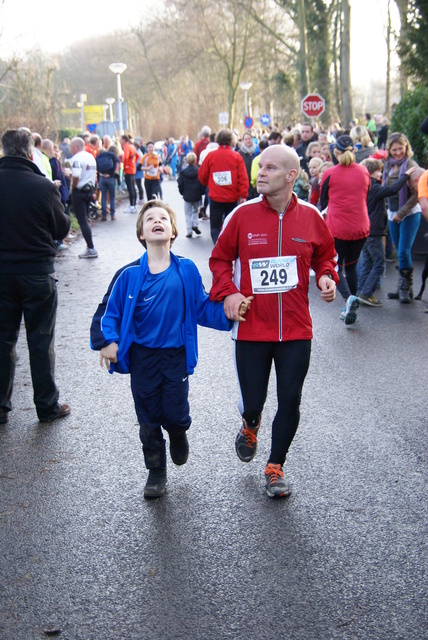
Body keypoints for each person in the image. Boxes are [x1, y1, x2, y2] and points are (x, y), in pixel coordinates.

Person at [209, 144, 338, 499]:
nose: (260, 173)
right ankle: (251, 423)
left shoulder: (311, 215)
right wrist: (230, 293)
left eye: (270, 168)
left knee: (290, 400)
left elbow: (326, 255)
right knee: (254, 402)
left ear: (291, 176)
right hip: (252, 328)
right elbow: (219, 260)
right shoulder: (242, 215)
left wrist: (327, 276)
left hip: (296, 329)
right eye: (260, 167)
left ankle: (275, 466)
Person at [90, 200, 240, 498]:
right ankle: (156, 471)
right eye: (149, 219)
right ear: (142, 233)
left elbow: (201, 306)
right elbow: (111, 312)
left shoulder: (185, 270)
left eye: (163, 218)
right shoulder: (129, 275)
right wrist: (107, 341)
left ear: (173, 231)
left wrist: (229, 313)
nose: (157, 221)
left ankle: (178, 431)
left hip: (176, 356)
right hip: (143, 357)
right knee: (147, 417)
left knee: (175, 410)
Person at [0, 128, 71, 424]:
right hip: (37, 273)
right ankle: (46, 405)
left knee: (2, 341)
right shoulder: (43, 187)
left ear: (3, 151)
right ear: (31, 153)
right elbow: (62, 229)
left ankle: (1, 406)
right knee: (41, 342)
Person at [320, 135, 370, 324]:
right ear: (354, 151)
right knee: (352, 266)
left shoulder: (330, 173)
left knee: (336, 265)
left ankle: (348, 298)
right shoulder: (364, 171)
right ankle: (353, 300)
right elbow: (366, 194)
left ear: (336, 152)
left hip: (338, 228)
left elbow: (323, 201)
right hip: (361, 227)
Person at [357, 158, 417, 306]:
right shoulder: (374, 187)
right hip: (374, 231)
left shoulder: (363, 187)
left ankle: (360, 291)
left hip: (365, 230)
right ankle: (366, 293)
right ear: (371, 173)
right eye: (379, 170)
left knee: (368, 263)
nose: (381, 173)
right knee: (379, 263)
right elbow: (393, 189)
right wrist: (406, 175)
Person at [383, 132, 421, 303]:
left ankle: (406, 288)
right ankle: (401, 286)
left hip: (409, 213)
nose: (398, 152)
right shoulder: (387, 165)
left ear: (407, 148)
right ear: (389, 150)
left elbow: (417, 194)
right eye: (395, 149)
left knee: (404, 251)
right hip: (392, 212)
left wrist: (402, 213)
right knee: (399, 251)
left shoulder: (411, 165)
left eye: (401, 149)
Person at [198, 128, 249, 244]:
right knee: (231, 224)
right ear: (231, 140)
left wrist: (210, 184)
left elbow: (202, 175)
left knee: (215, 226)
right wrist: (243, 195)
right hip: (232, 197)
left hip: (216, 196)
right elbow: (243, 177)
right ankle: (230, 246)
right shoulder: (236, 157)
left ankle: (217, 244)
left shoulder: (211, 156)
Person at [69, 136, 98, 258]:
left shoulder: (76, 158)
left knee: (82, 220)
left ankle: (91, 248)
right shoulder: (90, 156)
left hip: (79, 191)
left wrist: (73, 185)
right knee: (86, 219)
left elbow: (76, 175)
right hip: (89, 189)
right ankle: (89, 246)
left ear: (76, 146)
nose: (70, 149)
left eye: (71, 147)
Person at [177, 152, 206, 237]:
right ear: (195, 160)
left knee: (187, 213)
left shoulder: (183, 172)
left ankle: (189, 230)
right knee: (195, 211)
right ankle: (195, 225)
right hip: (196, 195)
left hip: (187, 195)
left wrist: (182, 192)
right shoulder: (199, 171)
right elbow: (202, 183)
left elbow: (180, 183)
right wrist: (201, 192)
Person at [96, 145, 120, 221]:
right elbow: (116, 165)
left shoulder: (99, 156)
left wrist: (101, 174)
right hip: (111, 178)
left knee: (103, 196)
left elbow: (96, 166)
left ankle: (104, 215)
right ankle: (112, 215)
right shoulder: (113, 156)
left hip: (102, 178)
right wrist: (111, 174)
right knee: (112, 197)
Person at [121, 134, 138, 213]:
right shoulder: (132, 146)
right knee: (133, 188)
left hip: (128, 169)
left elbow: (125, 157)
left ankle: (131, 206)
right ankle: (134, 205)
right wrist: (133, 163)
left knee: (130, 188)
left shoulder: (127, 147)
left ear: (124, 140)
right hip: (132, 168)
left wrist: (125, 167)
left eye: (121, 140)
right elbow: (137, 155)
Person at [238, 131, 257, 199]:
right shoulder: (240, 153)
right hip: (246, 182)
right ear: (243, 141)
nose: (248, 141)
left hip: (256, 183)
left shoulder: (257, 151)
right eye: (246, 139)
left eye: (249, 138)